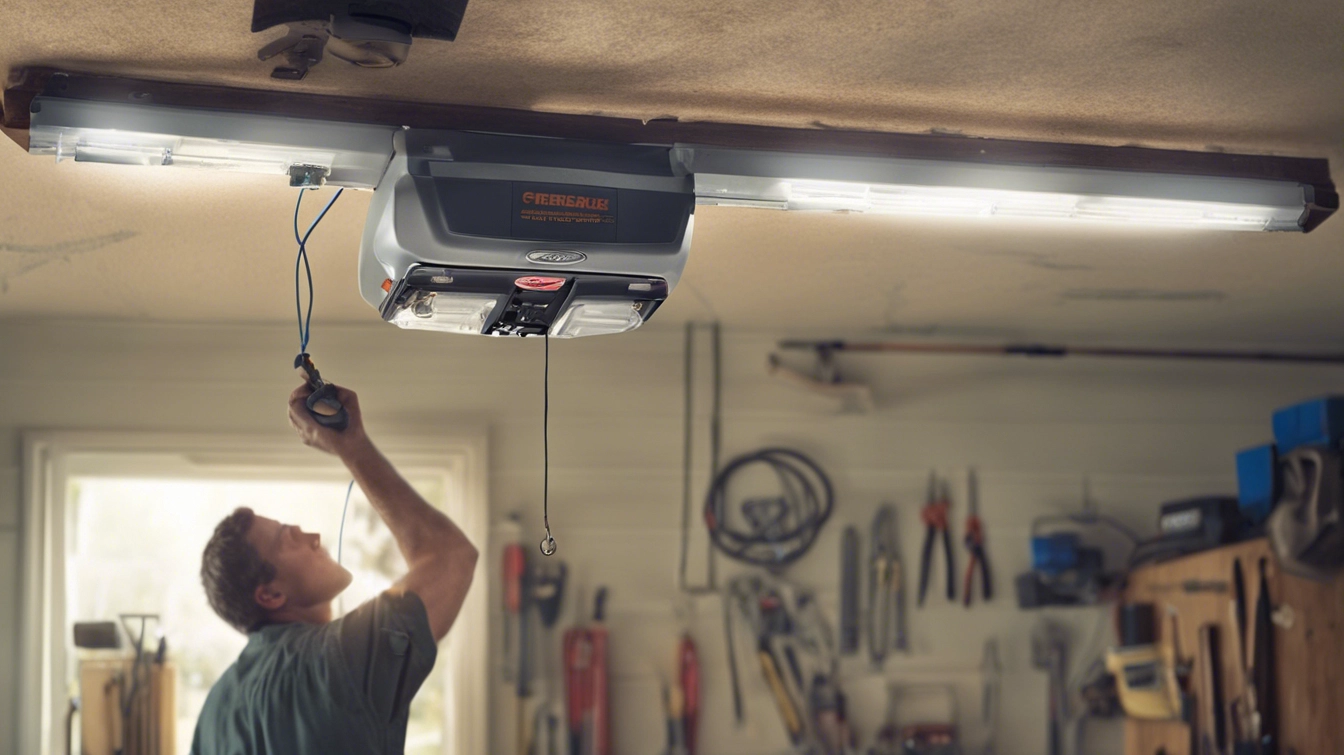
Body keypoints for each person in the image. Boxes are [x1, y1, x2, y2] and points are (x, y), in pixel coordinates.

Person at [191, 383, 479, 754]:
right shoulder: (339, 656)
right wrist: (352, 447)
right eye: (289, 538)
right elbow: (451, 557)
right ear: (270, 595)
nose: (314, 536)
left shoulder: (216, 709)